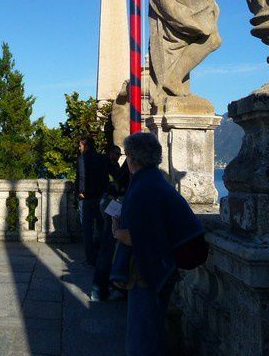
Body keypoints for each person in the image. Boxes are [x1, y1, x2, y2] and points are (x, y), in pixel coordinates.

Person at [113, 132, 208, 355]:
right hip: (163, 266)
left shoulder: (142, 188)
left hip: (148, 271)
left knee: (141, 338)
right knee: (151, 331)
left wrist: (117, 231)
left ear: (132, 159)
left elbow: (140, 237)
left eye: (127, 155)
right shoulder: (156, 182)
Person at [91, 144, 130, 301]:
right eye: (116, 154)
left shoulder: (124, 165)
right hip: (115, 204)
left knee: (106, 246)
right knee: (109, 246)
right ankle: (104, 288)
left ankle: (100, 289)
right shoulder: (131, 166)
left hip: (108, 201)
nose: (118, 157)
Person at [76, 137, 110, 267]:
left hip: (87, 198)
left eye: (80, 145)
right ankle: (103, 257)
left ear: (86, 146)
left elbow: (82, 175)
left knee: (87, 229)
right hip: (101, 196)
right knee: (101, 228)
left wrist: (81, 191)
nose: (79, 148)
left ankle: (91, 259)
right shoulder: (102, 158)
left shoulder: (82, 158)